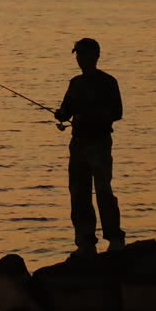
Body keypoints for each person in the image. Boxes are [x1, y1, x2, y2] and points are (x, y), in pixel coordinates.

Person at [54, 38, 125, 255]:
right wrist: (61, 114)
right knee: (78, 193)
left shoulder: (108, 82)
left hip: (100, 143)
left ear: (95, 56)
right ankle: (85, 242)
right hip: (78, 144)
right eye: (78, 54)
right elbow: (66, 110)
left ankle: (114, 238)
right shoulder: (75, 83)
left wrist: (94, 118)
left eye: (83, 54)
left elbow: (117, 112)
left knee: (103, 190)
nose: (79, 59)